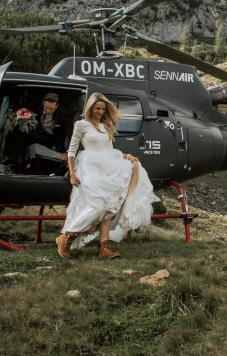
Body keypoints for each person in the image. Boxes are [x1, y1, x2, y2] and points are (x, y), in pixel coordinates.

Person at [56, 92, 159, 259]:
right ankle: (66, 237)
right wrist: (72, 174)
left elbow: (109, 151)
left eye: (103, 109)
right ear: (90, 108)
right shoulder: (81, 125)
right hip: (89, 167)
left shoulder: (106, 126)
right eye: (97, 108)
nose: (100, 111)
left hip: (108, 167)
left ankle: (104, 247)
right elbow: (72, 151)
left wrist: (125, 157)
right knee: (96, 205)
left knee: (110, 206)